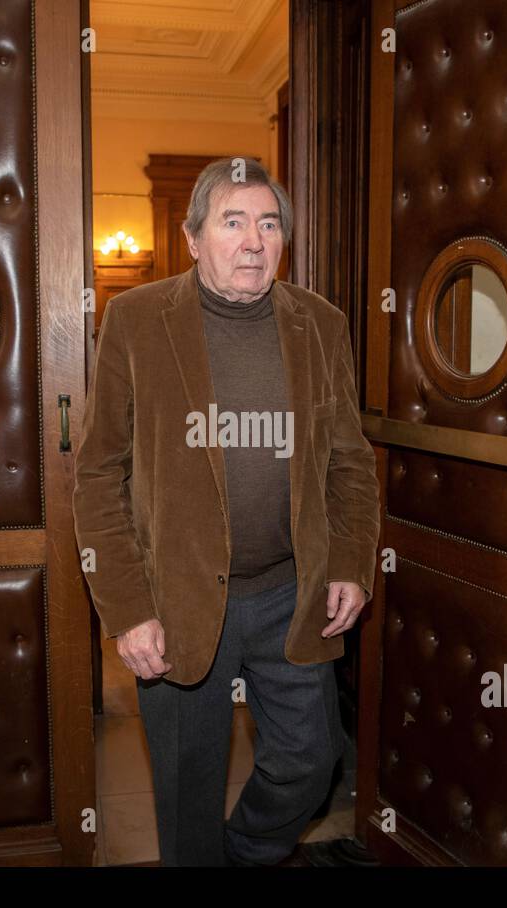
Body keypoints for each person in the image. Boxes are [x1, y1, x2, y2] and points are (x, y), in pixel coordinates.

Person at [73, 156, 380, 866]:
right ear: (192, 237)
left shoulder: (321, 324)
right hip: (176, 598)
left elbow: (350, 461)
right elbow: (98, 473)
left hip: (290, 595)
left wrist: (350, 563)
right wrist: (127, 607)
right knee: (188, 791)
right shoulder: (136, 320)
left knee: (310, 760)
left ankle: (240, 855)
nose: (252, 242)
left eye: (269, 225)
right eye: (232, 222)